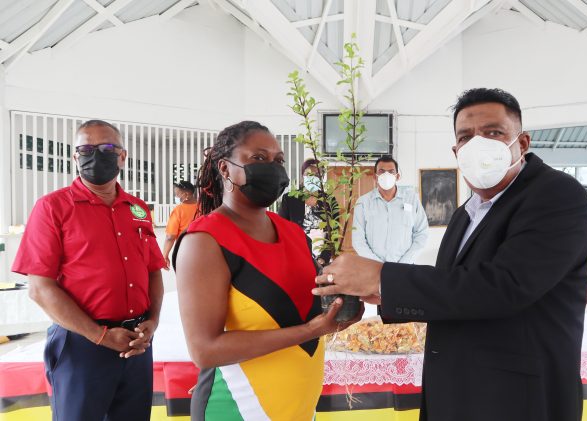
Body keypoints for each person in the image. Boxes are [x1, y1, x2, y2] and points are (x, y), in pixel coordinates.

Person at [312, 88, 587, 421]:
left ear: (523, 142)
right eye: (466, 137)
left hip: (516, 398)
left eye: (493, 133)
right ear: (456, 150)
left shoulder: (556, 195)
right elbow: (456, 290)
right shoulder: (465, 214)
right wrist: (379, 294)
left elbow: (504, 286)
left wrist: (383, 276)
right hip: (456, 390)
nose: (479, 144)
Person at [173, 121, 361, 421]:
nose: (273, 168)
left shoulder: (293, 233)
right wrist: (311, 330)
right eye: (258, 159)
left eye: (278, 161)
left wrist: (343, 303)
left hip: (298, 406)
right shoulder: (204, 241)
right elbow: (204, 350)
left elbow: (302, 307)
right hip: (238, 407)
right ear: (225, 169)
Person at [11, 119, 165, 420]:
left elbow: (153, 270)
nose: (96, 155)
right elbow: (40, 289)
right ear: (75, 158)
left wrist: (153, 321)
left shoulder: (137, 209)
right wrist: (100, 335)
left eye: (107, 148)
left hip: (137, 342)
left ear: (122, 156)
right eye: (86, 149)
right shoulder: (53, 208)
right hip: (81, 343)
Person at [352, 155, 428, 263]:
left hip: (405, 268)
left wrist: (404, 263)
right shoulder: (363, 202)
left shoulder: (411, 200)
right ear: (375, 176)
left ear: (397, 176)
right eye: (382, 171)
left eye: (391, 172)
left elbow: (421, 233)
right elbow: (358, 240)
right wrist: (378, 266)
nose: (386, 175)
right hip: (373, 269)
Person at [278, 158, 339, 267]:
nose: (313, 178)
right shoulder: (290, 198)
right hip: (296, 258)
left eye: (317, 174)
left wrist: (323, 258)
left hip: (323, 261)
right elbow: (282, 230)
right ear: (303, 175)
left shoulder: (329, 200)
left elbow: (334, 232)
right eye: (309, 174)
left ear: (322, 177)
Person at [162, 180, 198, 269]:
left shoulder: (179, 210)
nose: (176, 196)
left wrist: (164, 255)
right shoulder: (204, 207)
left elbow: (170, 237)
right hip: (203, 249)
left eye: (178, 194)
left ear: (186, 194)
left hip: (184, 250)